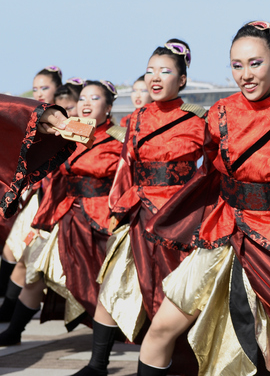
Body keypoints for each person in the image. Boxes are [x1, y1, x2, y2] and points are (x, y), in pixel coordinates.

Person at [138, 22, 270, 376]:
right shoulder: (218, 113)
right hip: (224, 233)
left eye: (255, 63)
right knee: (161, 329)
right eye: (237, 65)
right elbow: (207, 170)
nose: (245, 75)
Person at [70, 40, 206, 376]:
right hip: (140, 213)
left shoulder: (199, 119)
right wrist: (119, 208)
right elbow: (126, 166)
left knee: (177, 298)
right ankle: (96, 365)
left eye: (165, 71)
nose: (154, 78)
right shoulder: (136, 118)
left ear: (183, 80)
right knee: (113, 285)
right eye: (149, 71)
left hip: (179, 220)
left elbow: (213, 170)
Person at [0, 81, 123, 345]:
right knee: (36, 271)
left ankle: (102, 353)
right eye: (83, 99)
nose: (86, 104)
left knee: (102, 284)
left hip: (99, 221)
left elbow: (124, 184)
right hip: (62, 215)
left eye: (95, 98)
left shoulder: (119, 140)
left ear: (109, 107)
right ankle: (14, 331)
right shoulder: (67, 134)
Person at [1, 67, 69, 318]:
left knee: (31, 265)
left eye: (44, 88)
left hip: (61, 208)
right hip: (38, 201)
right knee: (16, 255)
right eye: (36, 88)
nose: (39, 93)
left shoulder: (66, 127)